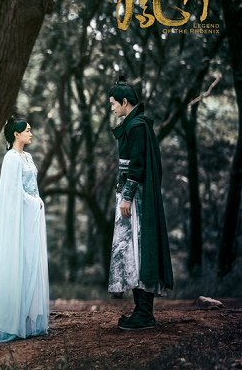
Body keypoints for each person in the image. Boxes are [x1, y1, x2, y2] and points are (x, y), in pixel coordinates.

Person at [0, 116, 49, 343]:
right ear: (16, 134)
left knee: (31, 261)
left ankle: (27, 319)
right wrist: (35, 202)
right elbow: (13, 192)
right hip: (20, 217)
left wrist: (37, 201)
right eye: (28, 130)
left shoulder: (28, 157)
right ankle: (9, 321)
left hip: (31, 217)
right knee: (18, 261)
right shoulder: (11, 158)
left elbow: (32, 187)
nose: (31, 133)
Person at [107, 77, 173, 330]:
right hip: (133, 195)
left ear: (125, 102)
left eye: (113, 103)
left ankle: (144, 314)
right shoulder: (136, 124)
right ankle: (141, 311)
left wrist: (127, 195)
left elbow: (136, 164)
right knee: (134, 250)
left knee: (137, 248)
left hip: (135, 199)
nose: (112, 108)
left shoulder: (136, 126)